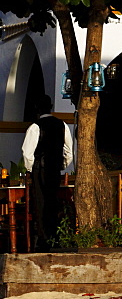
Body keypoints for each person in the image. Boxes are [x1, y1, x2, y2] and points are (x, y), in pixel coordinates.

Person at [22, 95, 74, 248]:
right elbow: (68, 151)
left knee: (41, 203)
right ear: (50, 107)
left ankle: (43, 239)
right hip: (54, 169)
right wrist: (62, 165)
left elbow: (27, 152)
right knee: (53, 202)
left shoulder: (35, 127)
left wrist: (31, 168)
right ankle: (54, 236)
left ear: (37, 109)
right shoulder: (62, 125)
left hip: (41, 169)